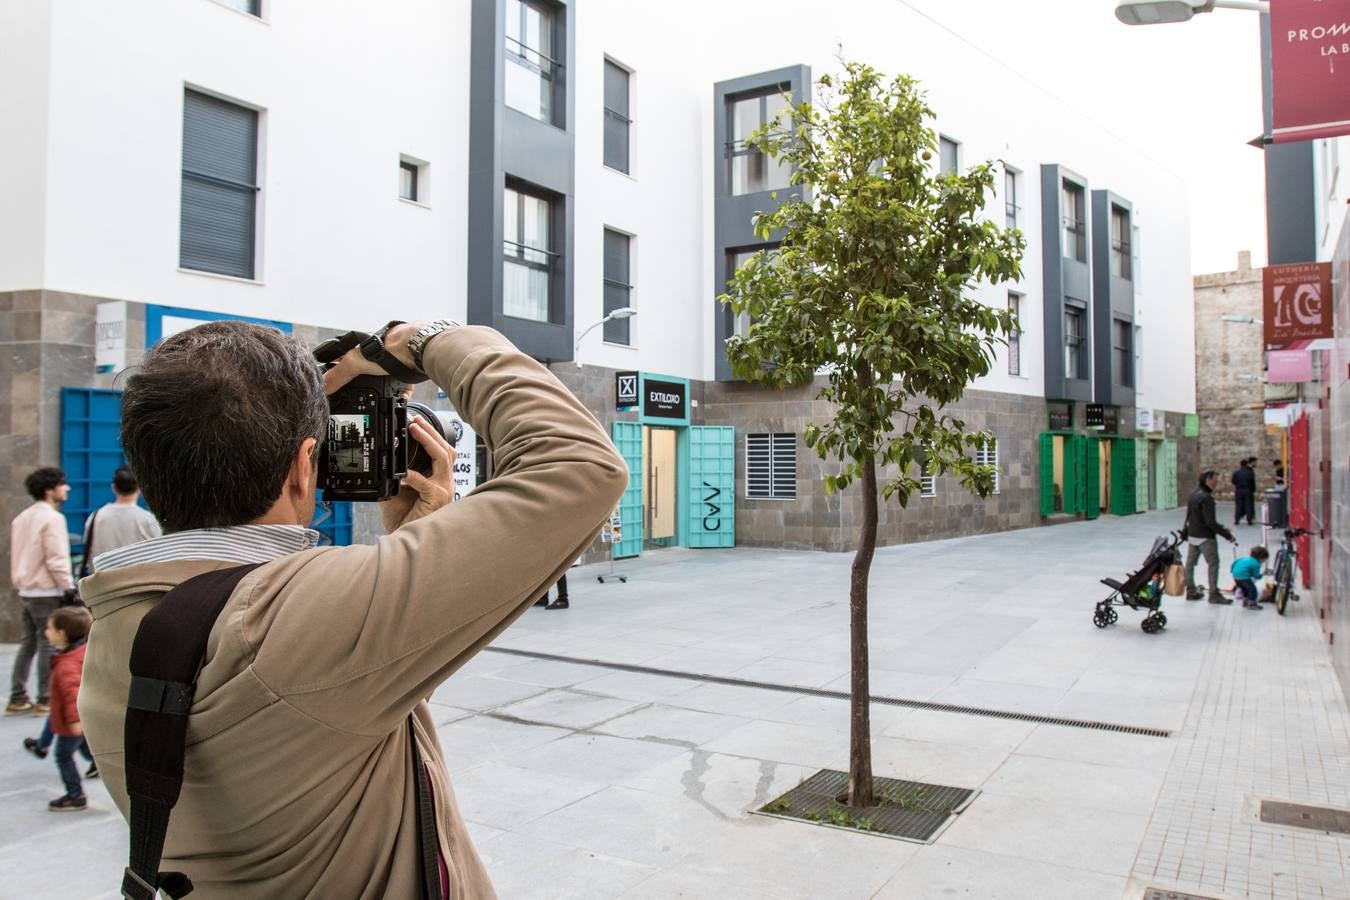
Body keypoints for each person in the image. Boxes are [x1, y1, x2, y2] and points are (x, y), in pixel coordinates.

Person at [78, 320, 627, 896]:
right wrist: (424, 340)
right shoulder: (296, 619)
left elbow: (334, 712)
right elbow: (582, 468)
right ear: (304, 466)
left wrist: (412, 544)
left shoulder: (120, 620)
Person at [7, 467, 75, 715]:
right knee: (48, 644)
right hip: (47, 590)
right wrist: (68, 586)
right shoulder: (53, 519)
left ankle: (17, 696)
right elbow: (56, 559)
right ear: (49, 490)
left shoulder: (21, 518)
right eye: (62, 484)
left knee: (29, 644)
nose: (67, 488)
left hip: (26, 589)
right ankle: (45, 698)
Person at [46, 604, 94, 811]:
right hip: (79, 722)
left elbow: (72, 694)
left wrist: (75, 721)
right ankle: (98, 764)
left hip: (71, 724)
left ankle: (75, 795)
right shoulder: (81, 652)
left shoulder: (66, 666)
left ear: (62, 634)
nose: (46, 631)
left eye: (49, 628)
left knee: (63, 755)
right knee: (85, 746)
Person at [81, 465, 162, 572]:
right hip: (137, 580)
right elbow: (158, 555)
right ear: (139, 489)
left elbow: (89, 553)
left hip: (102, 580)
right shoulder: (148, 519)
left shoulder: (95, 517)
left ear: (113, 488)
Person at [1183, 470, 1238, 604]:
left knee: (1190, 564)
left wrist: (1185, 532)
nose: (1216, 482)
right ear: (1208, 479)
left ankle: (1190, 591)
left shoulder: (1193, 495)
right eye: (1215, 479)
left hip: (1193, 535)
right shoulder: (1207, 498)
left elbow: (1190, 517)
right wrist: (1228, 535)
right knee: (1213, 564)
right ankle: (1213, 594)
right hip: (1206, 537)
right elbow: (1210, 522)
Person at [1231, 546, 1270, 611]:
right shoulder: (1256, 564)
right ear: (1261, 558)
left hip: (1236, 577)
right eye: (1264, 559)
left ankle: (1245, 602)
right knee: (1252, 590)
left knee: (1245, 589)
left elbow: (1235, 563)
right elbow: (1256, 576)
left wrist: (1233, 572)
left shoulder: (1244, 558)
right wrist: (1263, 574)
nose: (1264, 561)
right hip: (1244, 578)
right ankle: (1252, 604)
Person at [1231, 458, 1256, 526]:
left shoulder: (1236, 472)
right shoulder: (1250, 472)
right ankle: (1249, 520)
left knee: (1238, 505)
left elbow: (1233, 482)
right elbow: (1253, 483)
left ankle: (1237, 520)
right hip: (1248, 490)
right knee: (1248, 505)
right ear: (1247, 464)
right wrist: (1253, 490)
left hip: (1239, 490)